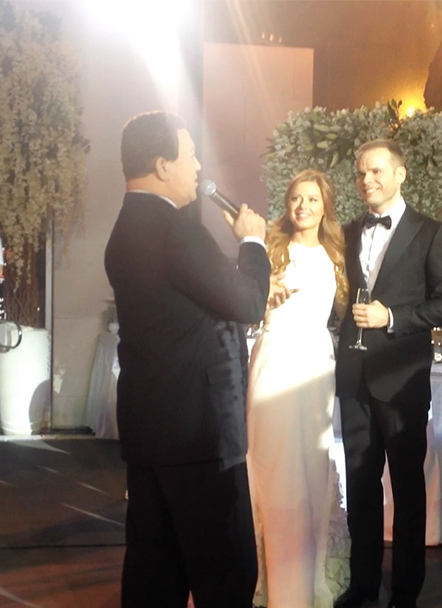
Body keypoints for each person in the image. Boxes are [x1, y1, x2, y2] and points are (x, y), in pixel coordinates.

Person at [104, 110, 270, 608]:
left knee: (155, 580)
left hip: (151, 434)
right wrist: (253, 243)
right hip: (199, 437)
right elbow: (248, 303)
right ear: (162, 165)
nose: (198, 166)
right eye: (191, 154)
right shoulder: (177, 231)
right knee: (227, 578)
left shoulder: (124, 230)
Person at [334, 140, 442, 608]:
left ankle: (406, 592)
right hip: (353, 379)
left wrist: (391, 317)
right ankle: (363, 584)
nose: (366, 180)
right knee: (360, 485)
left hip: (402, 380)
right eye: (360, 173)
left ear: (400, 174)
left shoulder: (430, 232)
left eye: (376, 171)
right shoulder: (347, 232)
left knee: (407, 489)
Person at [247, 169, 350, 608]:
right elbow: (240, 303)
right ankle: (264, 578)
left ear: (325, 206)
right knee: (271, 464)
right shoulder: (270, 249)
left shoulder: (337, 254)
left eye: (312, 199)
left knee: (311, 466)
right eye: (295, 198)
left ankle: (307, 577)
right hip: (274, 362)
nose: (303, 206)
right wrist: (261, 296)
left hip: (315, 369)